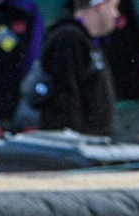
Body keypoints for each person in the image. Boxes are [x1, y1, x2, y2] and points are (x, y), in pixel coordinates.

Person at [35, 0, 118, 136]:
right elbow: (64, 100)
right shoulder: (68, 38)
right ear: (99, 6)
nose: (116, 14)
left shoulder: (86, 40)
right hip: (76, 149)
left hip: (93, 145)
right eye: (114, 7)